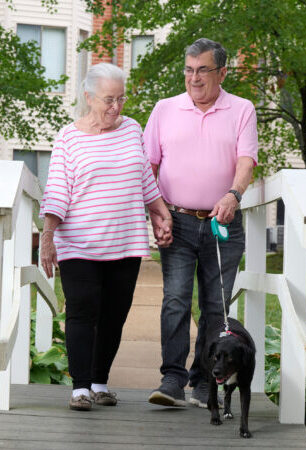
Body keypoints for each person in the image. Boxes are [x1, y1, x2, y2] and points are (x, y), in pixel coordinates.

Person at [40, 62, 173, 412]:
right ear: (88, 97)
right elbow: (56, 190)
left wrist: (160, 211)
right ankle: (80, 388)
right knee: (82, 313)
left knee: (115, 315)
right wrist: (48, 237)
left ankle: (100, 383)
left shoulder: (131, 129)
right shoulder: (68, 137)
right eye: (108, 99)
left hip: (125, 242)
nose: (116, 107)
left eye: (122, 98)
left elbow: (143, 175)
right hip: (79, 244)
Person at [144, 38, 258, 408]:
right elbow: (149, 168)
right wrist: (156, 213)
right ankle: (173, 379)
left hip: (222, 221)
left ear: (222, 72)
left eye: (203, 70)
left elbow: (246, 161)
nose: (194, 78)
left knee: (216, 306)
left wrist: (233, 195)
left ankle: (206, 380)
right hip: (176, 219)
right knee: (175, 300)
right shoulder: (164, 109)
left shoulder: (242, 109)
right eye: (189, 70)